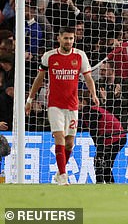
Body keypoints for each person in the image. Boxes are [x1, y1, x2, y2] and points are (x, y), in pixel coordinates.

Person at [25, 27, 99, 185]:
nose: (69, 41)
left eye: (71, 38)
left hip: (72, 106)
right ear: (59, 38)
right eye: (66, 38)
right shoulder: (49, 56)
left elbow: (88, 78)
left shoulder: (80, 56)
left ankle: (60, 172)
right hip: (55, 105)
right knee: (60, 138)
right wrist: (30, 100)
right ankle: (63, 177)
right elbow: (39, 79)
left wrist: (93, 94)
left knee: (70, 142)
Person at [79, 95, 126, 183]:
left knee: (102, 162)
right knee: (104, 163)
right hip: (114, 137)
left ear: (84, 102)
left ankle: (100, 182)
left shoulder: (90, 112)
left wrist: (99, 148)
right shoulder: (90, 111)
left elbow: (94, 131)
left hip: (114, 137)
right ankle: (108, 183)